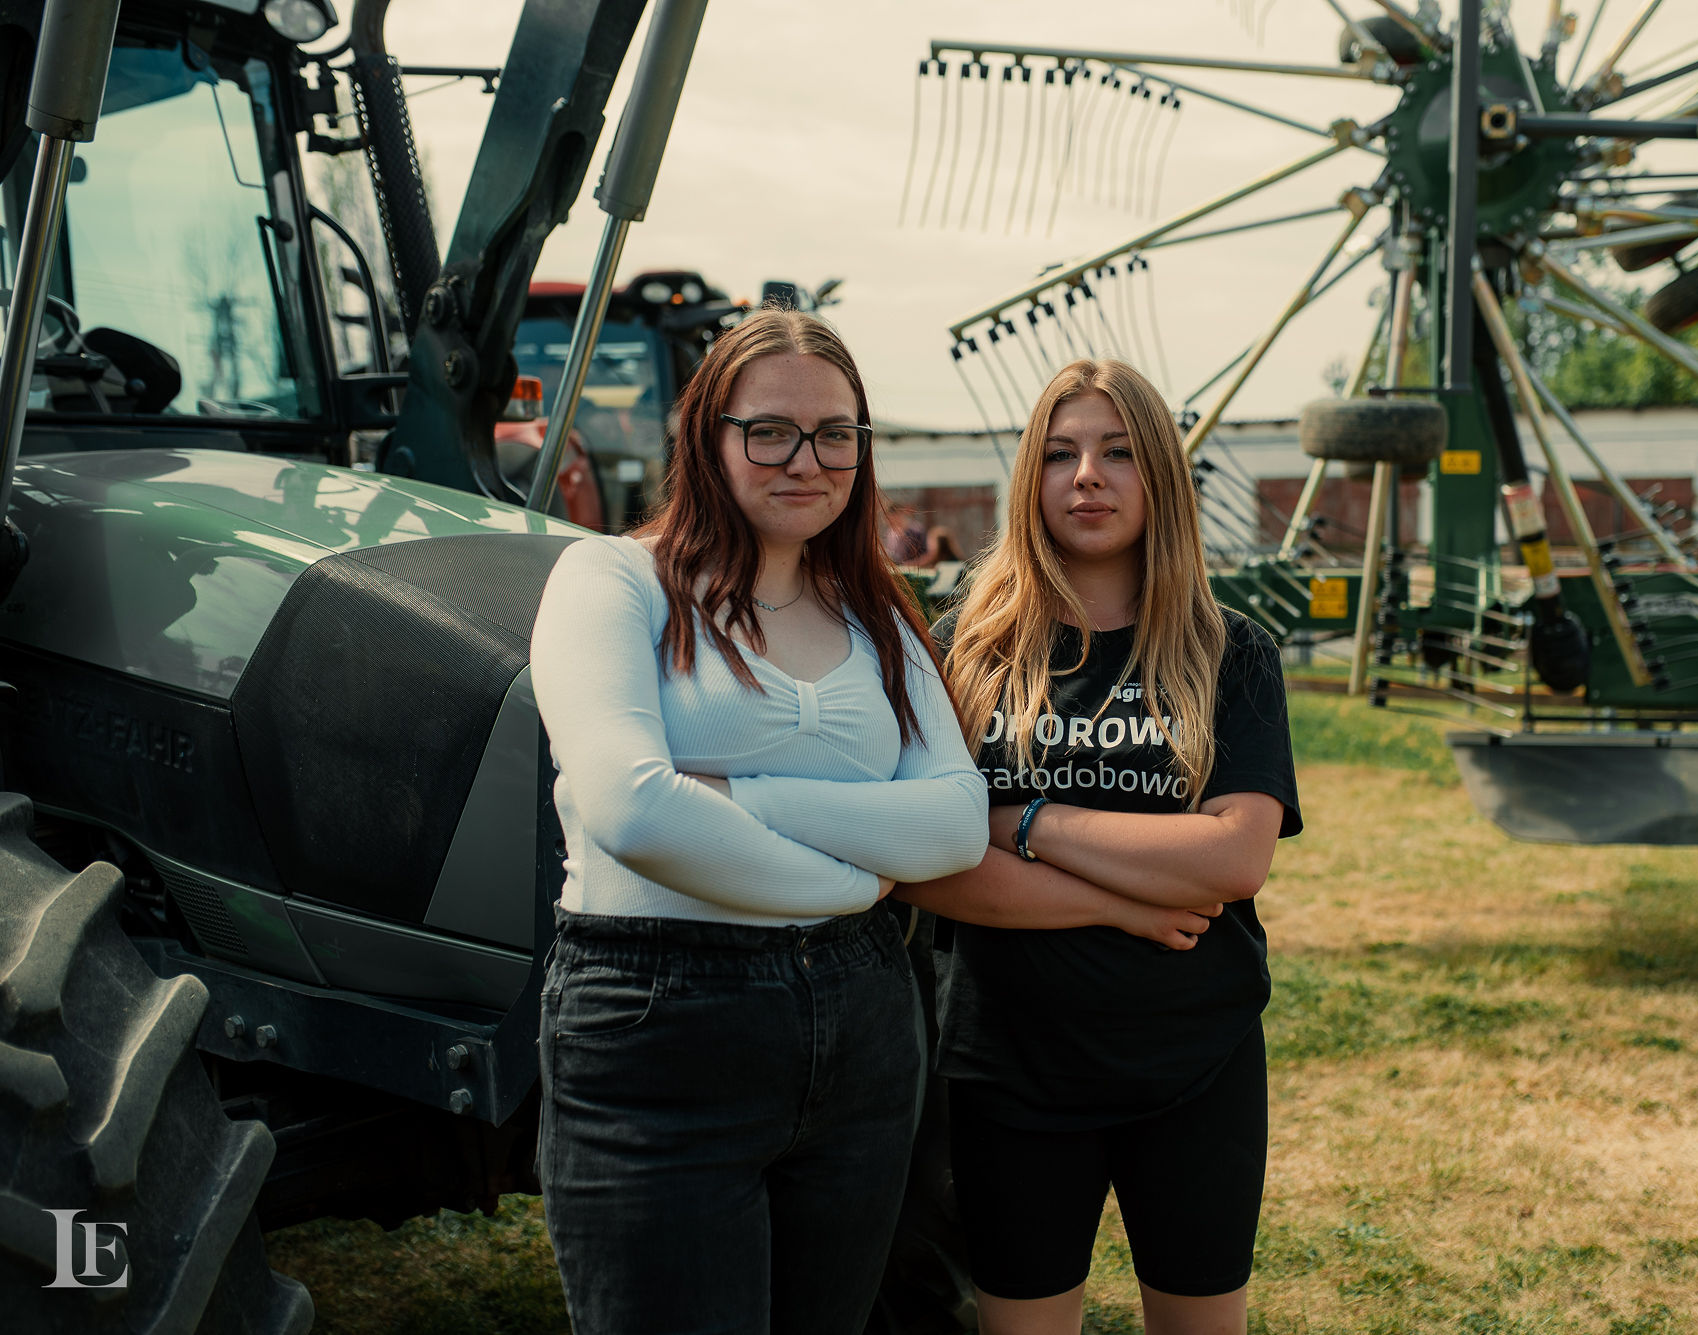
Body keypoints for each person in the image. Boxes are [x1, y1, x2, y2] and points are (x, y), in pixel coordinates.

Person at [528, 308, 989, 1335]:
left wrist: (741, 797)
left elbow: (957, 824)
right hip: (661, 1023)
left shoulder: (878, 613)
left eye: (835, 434)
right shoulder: (613, 581)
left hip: (863, 1026)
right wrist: (855, 881)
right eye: (770, 431)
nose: (807, 461)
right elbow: (633, 812)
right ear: (709, 433)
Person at [896, 358, 1302, 1335]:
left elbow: (1233, 860)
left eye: (1118, 452)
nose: (1087, 476)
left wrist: (1024, 822)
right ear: (1029, 478)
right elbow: (931, 868)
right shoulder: (967, 650)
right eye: (1060, 453)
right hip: (1007, 1064)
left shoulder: (1227, 650)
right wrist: (1128, 898)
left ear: (1158, 474)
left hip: (1193, 1059)